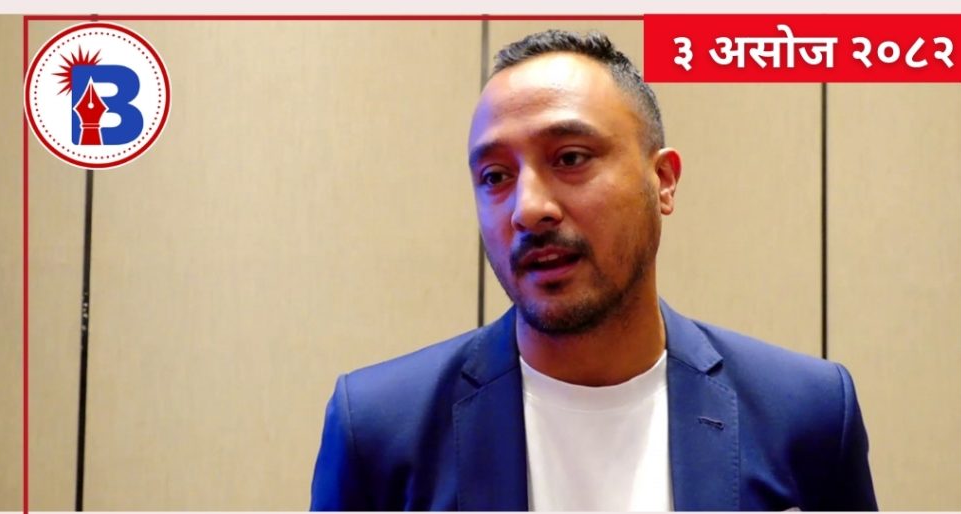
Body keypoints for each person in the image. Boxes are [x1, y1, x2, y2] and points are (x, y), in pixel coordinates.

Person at [310, 30, 878, 511]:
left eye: (571, 158)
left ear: (663, 182)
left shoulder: (807, 415)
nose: (528, 208)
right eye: (495, 177)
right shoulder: (380, 430)